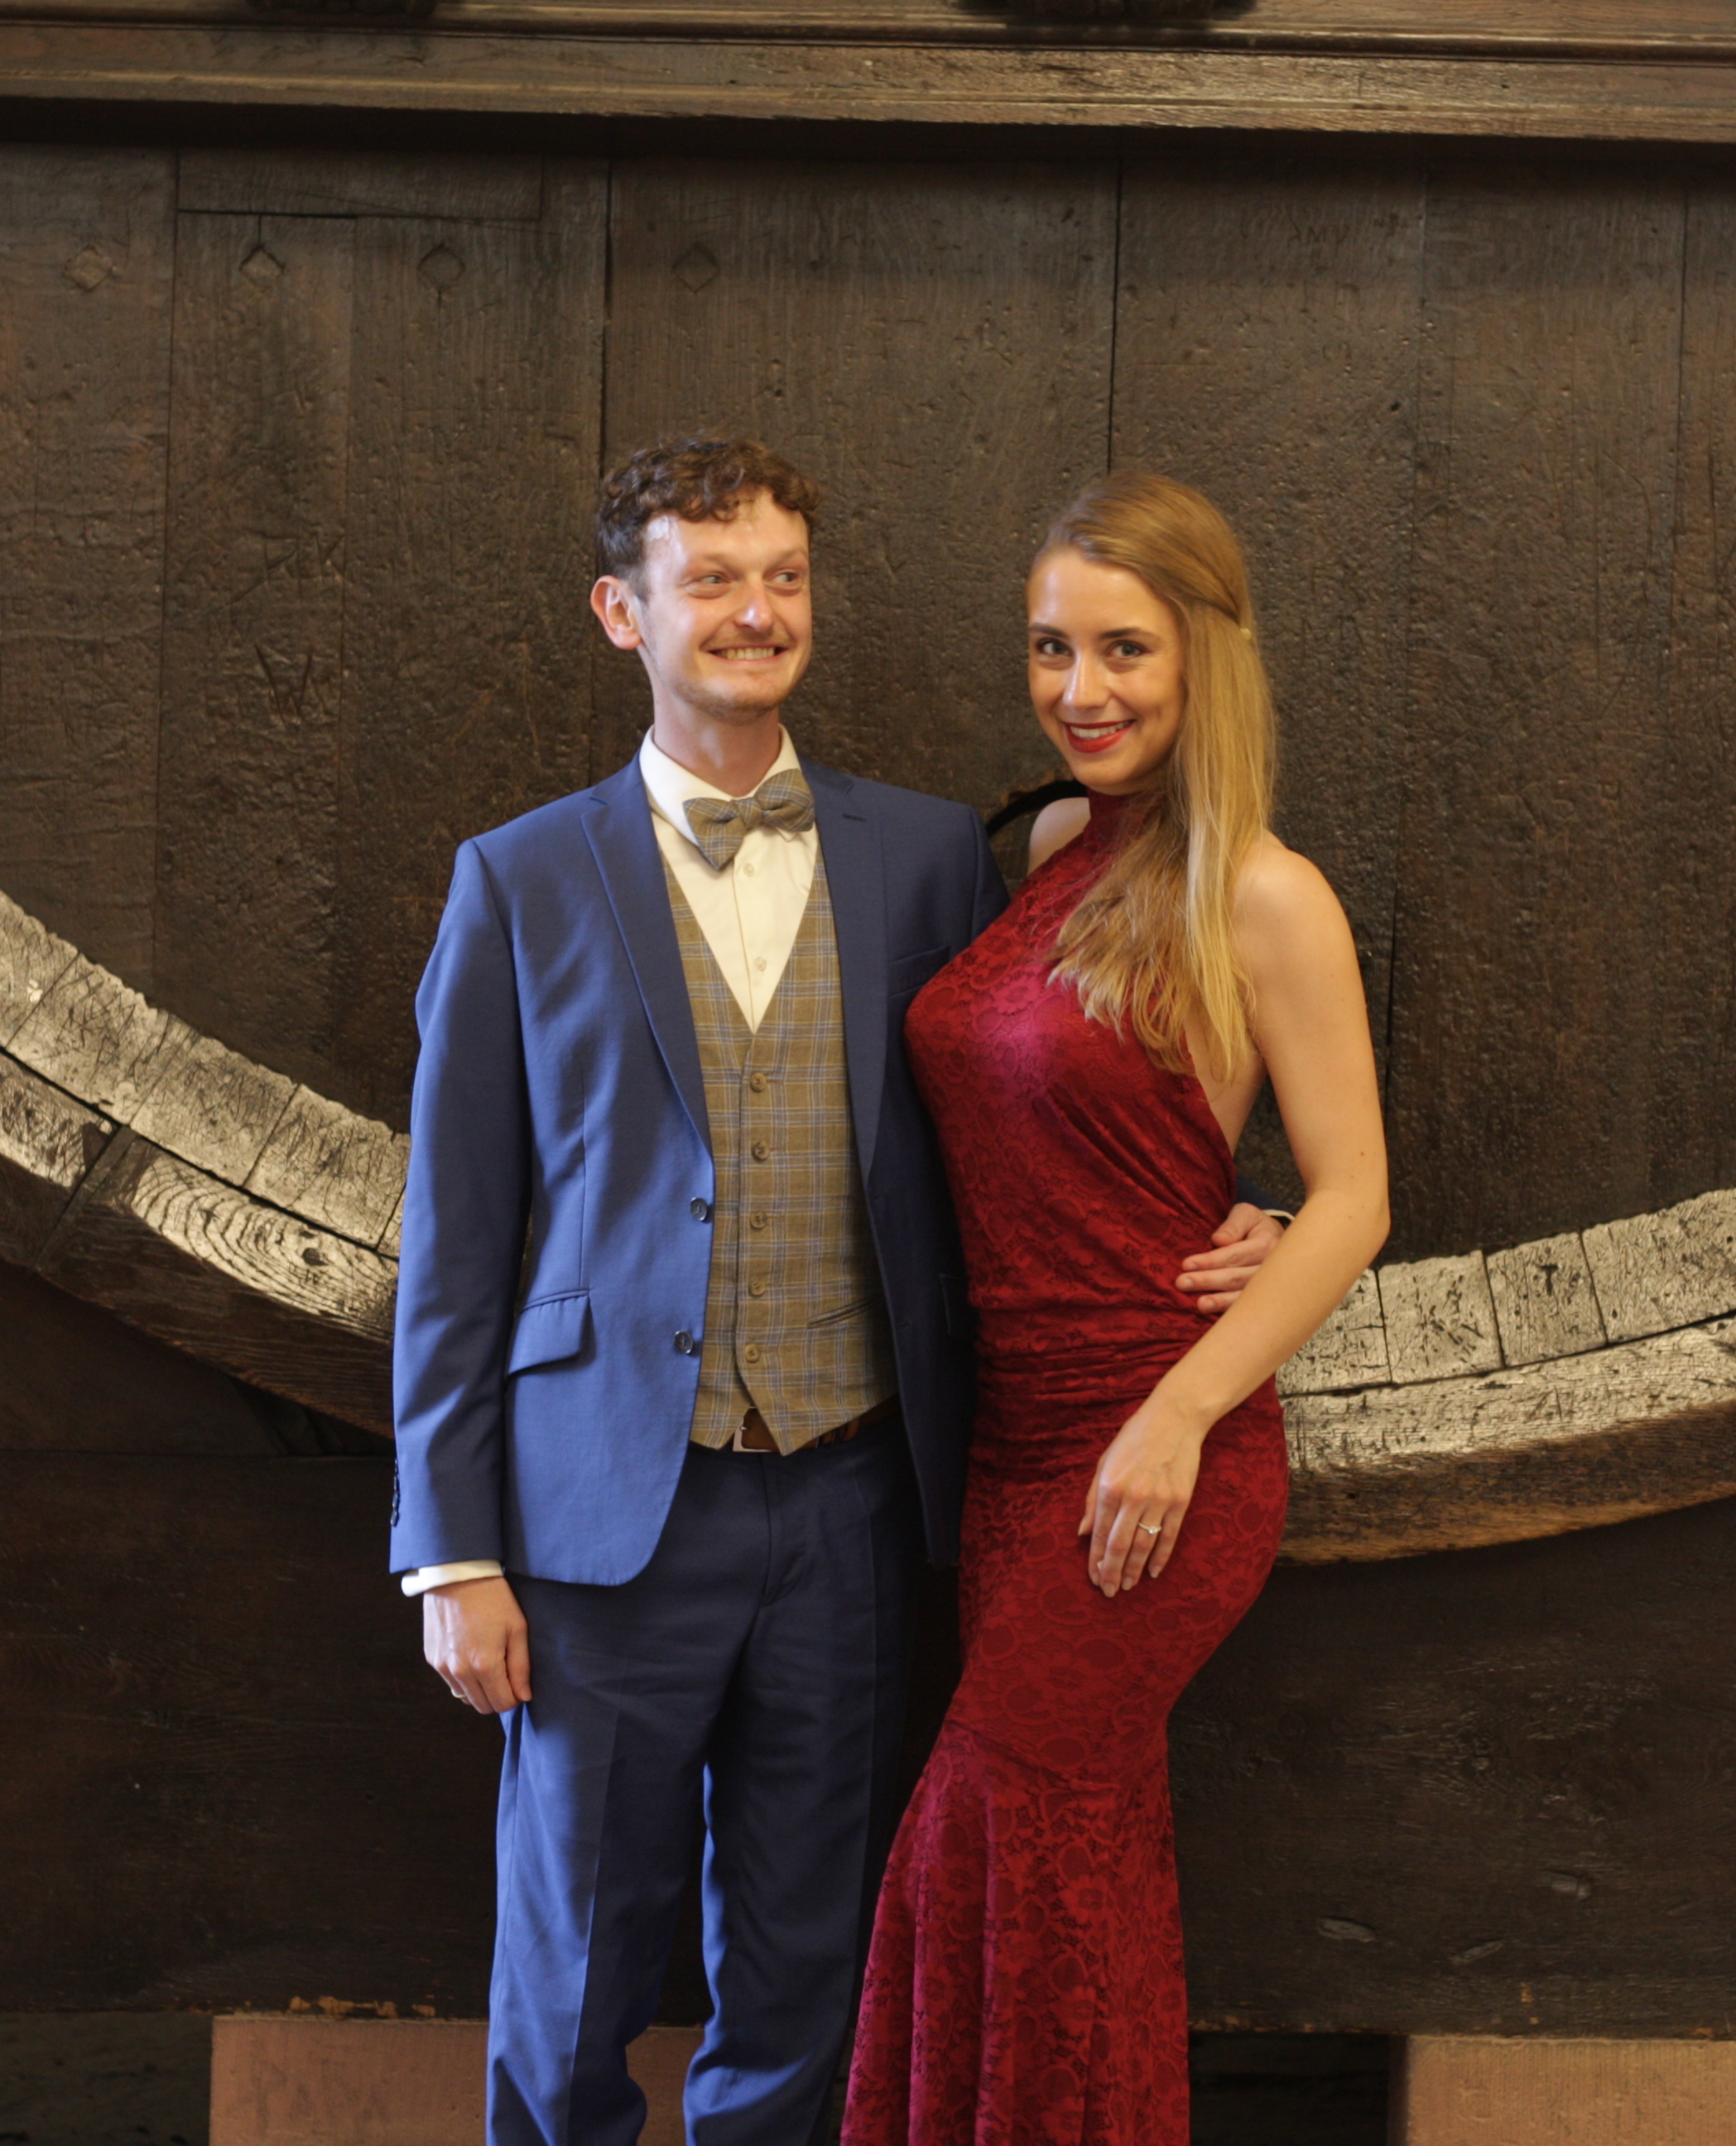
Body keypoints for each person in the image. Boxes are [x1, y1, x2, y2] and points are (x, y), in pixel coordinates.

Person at [391, 436, 1283, 2146]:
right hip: (598, 1519)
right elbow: (454, 1243)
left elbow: (1048, 1091)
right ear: (622, 614)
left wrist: (1234, 1213)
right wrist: (453, 1551)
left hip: (859, 1504)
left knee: (811, 1970)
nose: (756, 611)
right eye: (711, 579)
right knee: (571, 1975)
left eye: (783, 577)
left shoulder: (933, 856)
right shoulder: (519, 878)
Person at [844, 472, 1391, 2146]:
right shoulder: (1054, 848)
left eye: (1124, 649)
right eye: (1050, 647)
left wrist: (1179, 1413)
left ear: (1208, 654)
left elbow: (1357, 1196)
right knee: (1078, 1872)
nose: (1080, 690)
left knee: (987, 1825)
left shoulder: (1269, 894)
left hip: (1162, 1457)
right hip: (1012, 1459)